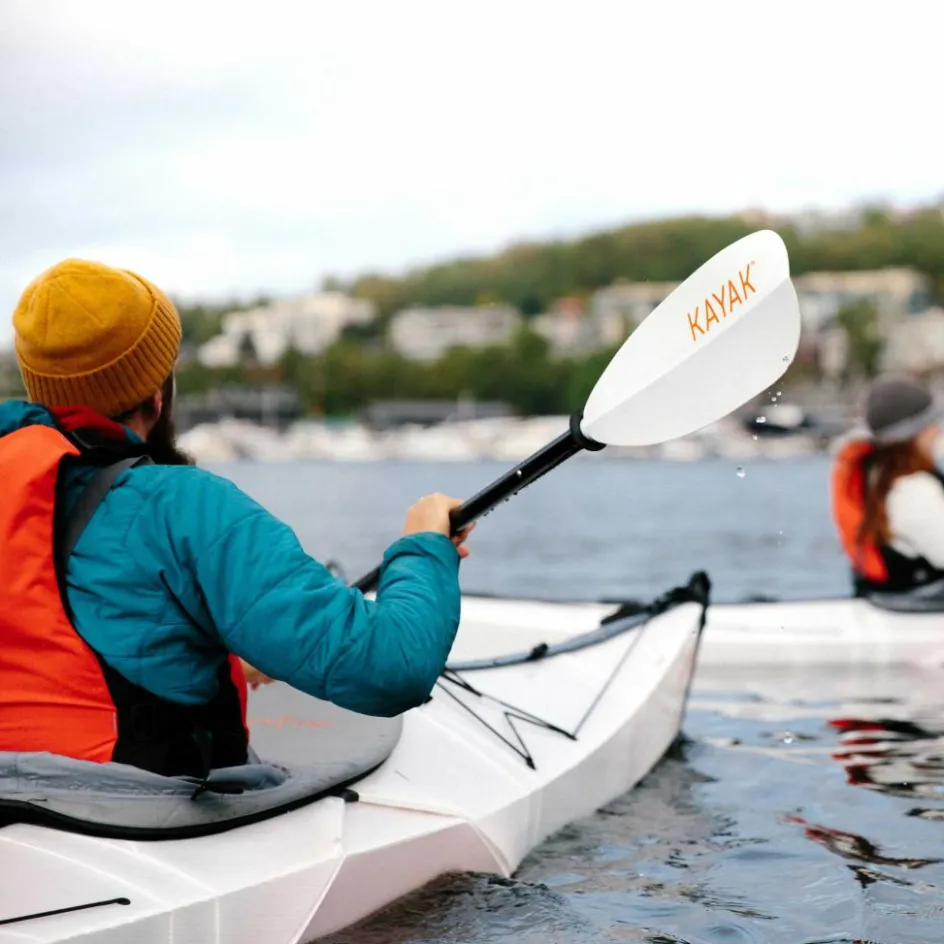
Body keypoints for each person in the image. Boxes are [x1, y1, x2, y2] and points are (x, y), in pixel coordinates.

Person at [0, 258, 472, 778]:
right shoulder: (182, 508)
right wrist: (425, 544)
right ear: (157, 394)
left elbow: (55, 653)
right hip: (137, 813)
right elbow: (390, 666)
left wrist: (221, 651)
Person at [830, 373, 944, 596]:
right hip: (917, 607)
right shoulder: (913, 490)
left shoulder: (878, 479)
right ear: (912, 435)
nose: (937, 432)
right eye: (931, 424)